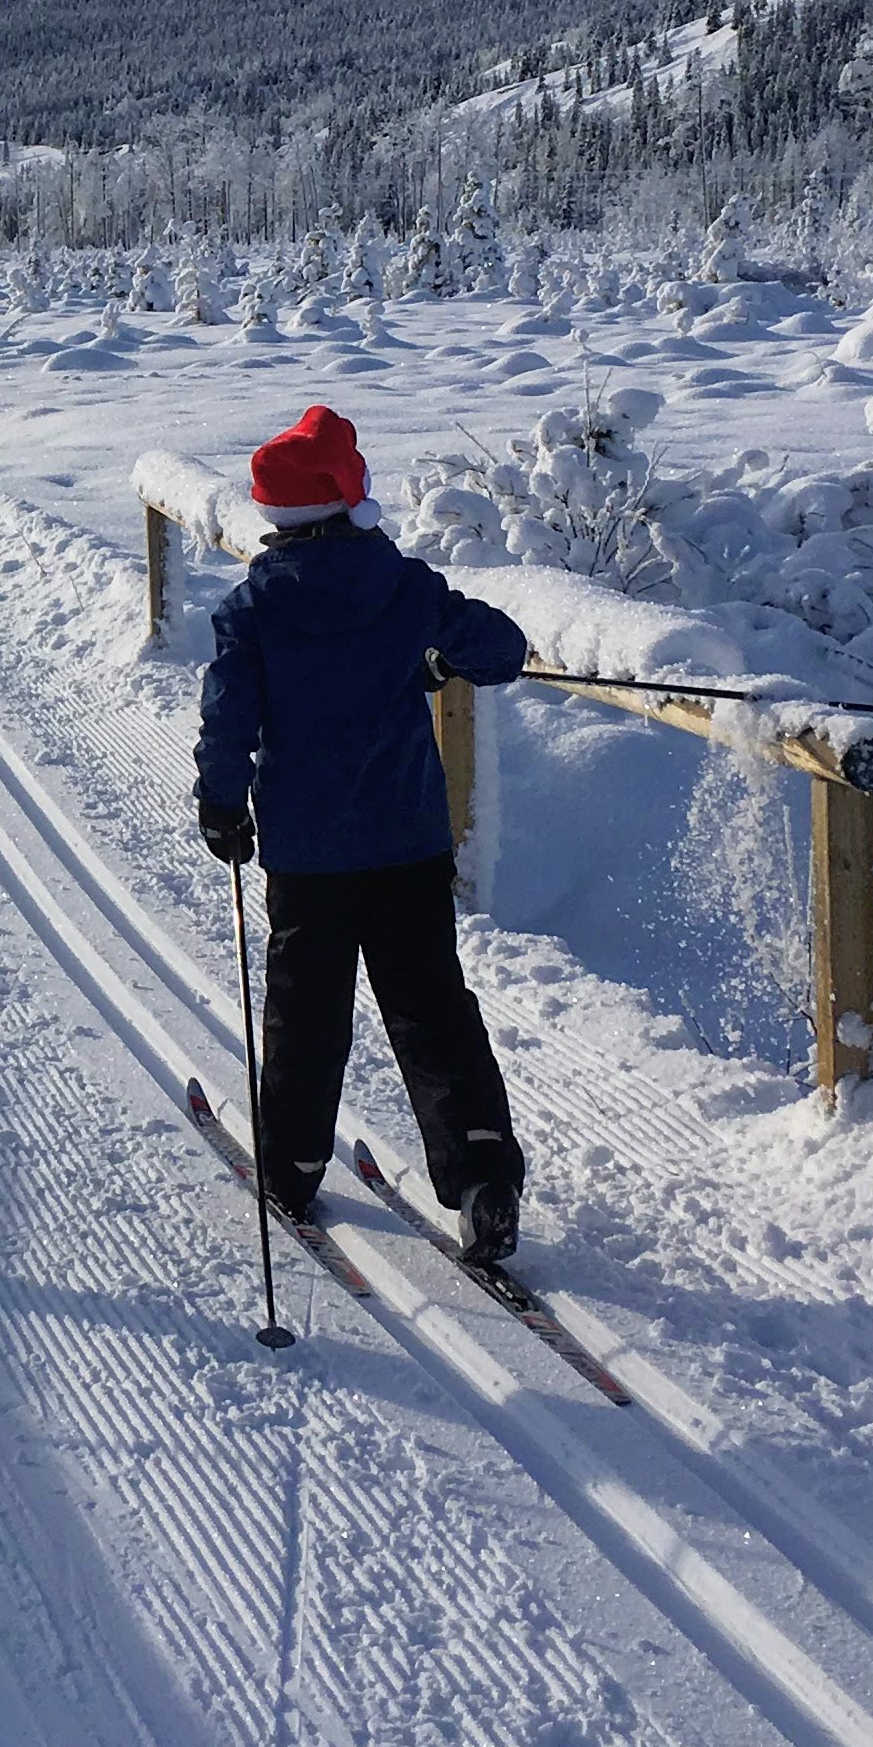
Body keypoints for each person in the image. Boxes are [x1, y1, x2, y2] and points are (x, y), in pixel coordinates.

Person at [192, 404, 535, 1262]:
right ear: (353, 502)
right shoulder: (406, 587)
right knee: (430, 1007)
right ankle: (482, 1165)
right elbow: (502, 651)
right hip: (410, 845)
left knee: (306, 1010)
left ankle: (295, 1162)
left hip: (309, 856)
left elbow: (227, 718)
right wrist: (438, 654)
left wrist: (222, 803)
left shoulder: (254, 608)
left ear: (276, 516)